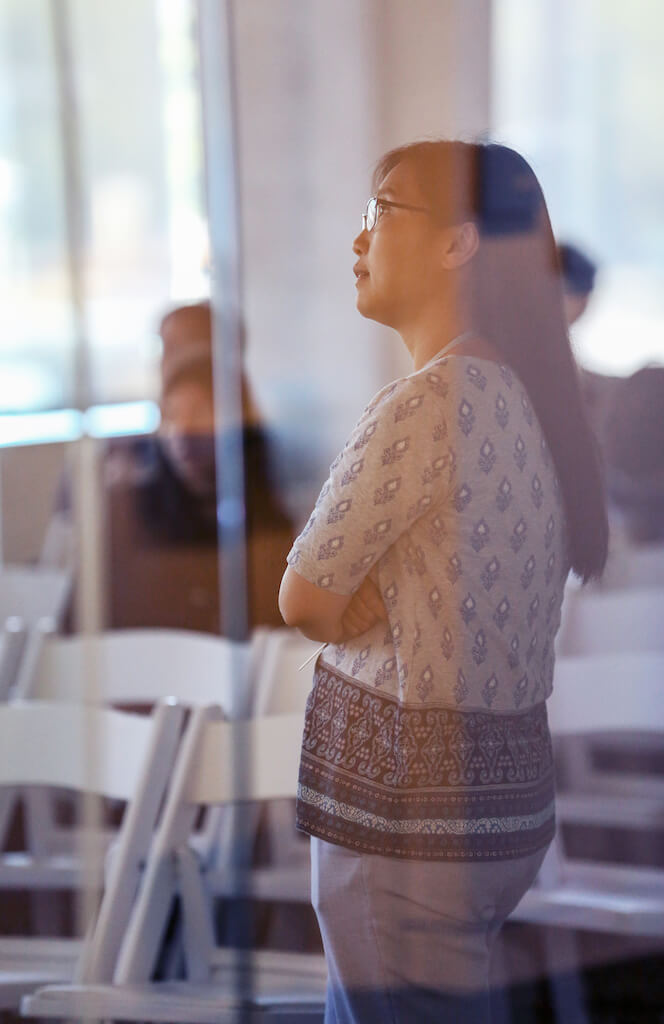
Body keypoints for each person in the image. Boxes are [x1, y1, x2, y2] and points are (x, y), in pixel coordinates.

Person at [279, 140, 608, 1023]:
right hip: (493, 816)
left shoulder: (429, 401)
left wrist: (370, 598)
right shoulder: (528, 395)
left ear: (460, 242)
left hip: (406, 817)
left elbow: (304, 599)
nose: (359, 240)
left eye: (382, 211)